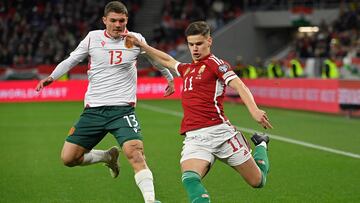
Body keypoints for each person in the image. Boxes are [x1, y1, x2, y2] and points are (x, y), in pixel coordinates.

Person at [35, 1, 174, 203]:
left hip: (123, 110)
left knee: (135, 153)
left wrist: (169, 78)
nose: (118, 25)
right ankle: (107, 157)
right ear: (104, 21)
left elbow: (155, 59)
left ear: (127, 20)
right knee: (68, 158)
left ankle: (151, 200)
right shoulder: (93, 38)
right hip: (94, 110)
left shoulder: (135, 39)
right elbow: (72, 59)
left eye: (122, 21)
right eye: (114, 21)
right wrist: (52, 77)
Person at [124, 21, 273, 202]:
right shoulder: (187, 69)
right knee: (190, 178)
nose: (195, 48)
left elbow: (239, 85)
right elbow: (167, 60)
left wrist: (254, 110)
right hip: (195, 137)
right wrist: (142, 46)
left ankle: (261, 145)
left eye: (199, 44)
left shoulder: (215, 64)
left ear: (209, 41)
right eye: (191, 44)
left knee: (257, 181)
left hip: (221, 133)